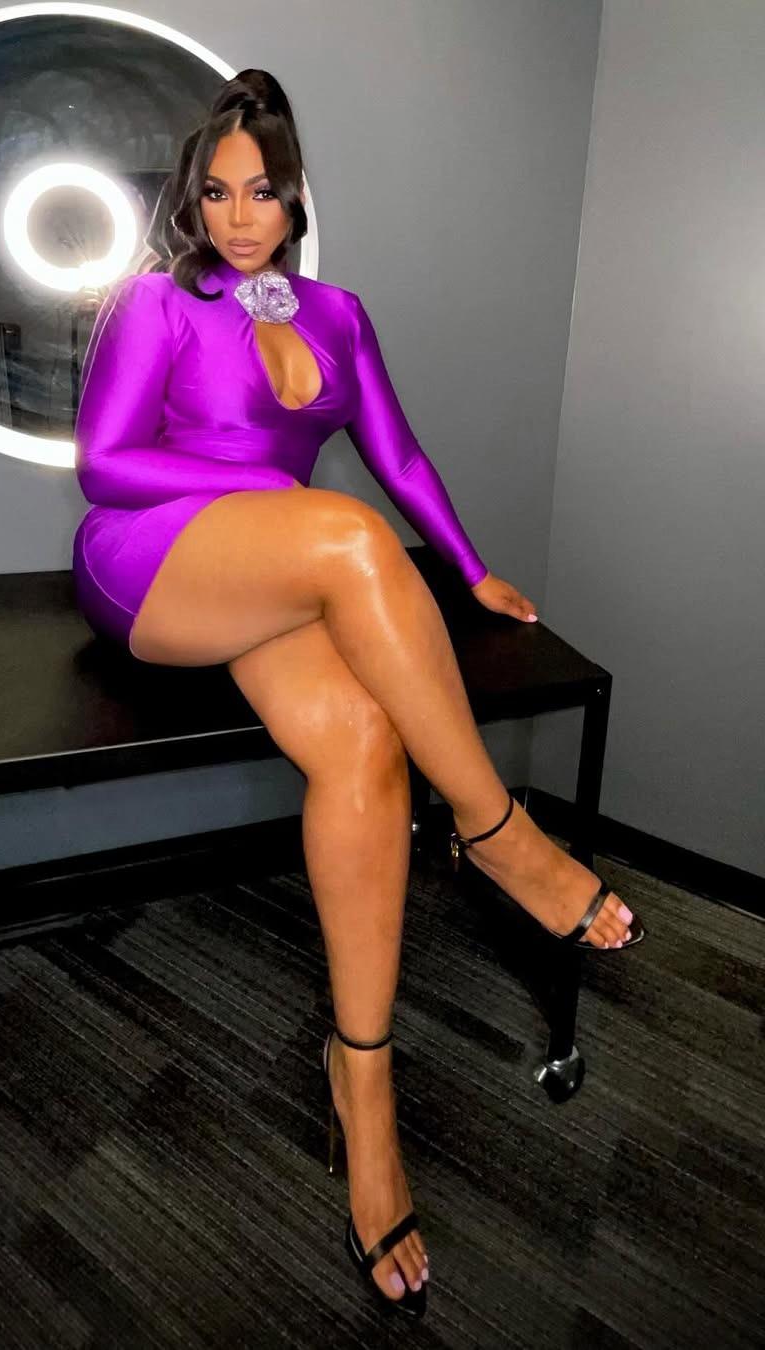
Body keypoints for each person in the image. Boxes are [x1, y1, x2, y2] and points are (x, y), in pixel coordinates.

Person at [71, 70, 645, 1318]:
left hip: (281, 570)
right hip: (153, 564)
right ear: (192, 201)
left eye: (261, 192)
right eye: (217, 194)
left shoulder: (336, 315)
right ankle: (497, 835)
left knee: (366, 743)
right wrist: (277, 499)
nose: (238, 218)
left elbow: (397, 452)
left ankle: (363, 1082)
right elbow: (105, 466)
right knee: (342, 534)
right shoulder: (155, 304)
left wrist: (474, 568)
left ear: (294, 199)